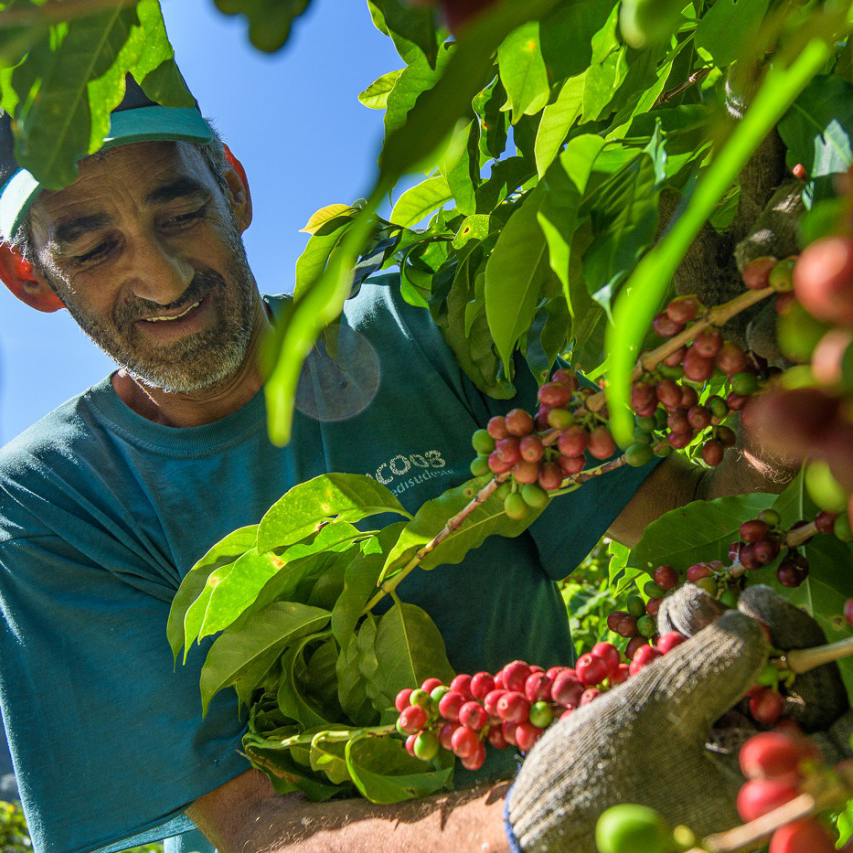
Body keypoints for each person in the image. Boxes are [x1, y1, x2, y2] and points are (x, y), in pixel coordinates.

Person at [0, 79, 787, 853]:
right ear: (31, 275)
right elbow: (247, 824)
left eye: (181, 211)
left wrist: (787, 427)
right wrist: (528, 823)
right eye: (95, 247)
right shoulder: (53, 495)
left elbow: (698, 533)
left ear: (232, 188)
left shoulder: (424, 330)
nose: (166, 277)